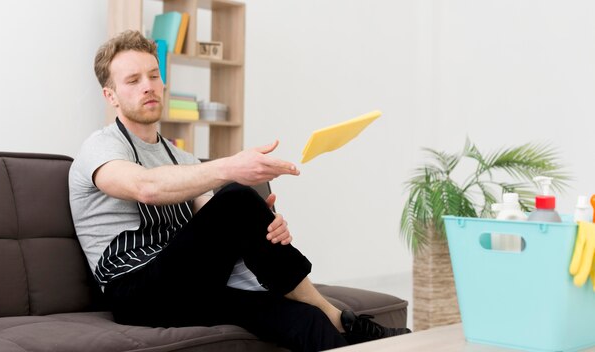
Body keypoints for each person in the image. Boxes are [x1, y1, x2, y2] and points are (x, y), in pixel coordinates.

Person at [69, 30, 410, 352]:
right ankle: (341, 318)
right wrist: (230, 169)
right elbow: (145, 187)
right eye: (133, 80)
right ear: (110, 95)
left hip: (189, 286)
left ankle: (338, 327)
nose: (149, 86)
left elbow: (214, 228)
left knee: (303, 321)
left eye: (154, 75)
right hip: (135, 293)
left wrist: (266, 227)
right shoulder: (100, 149)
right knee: (235, 198)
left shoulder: (181, 157)